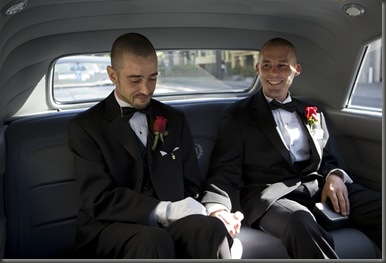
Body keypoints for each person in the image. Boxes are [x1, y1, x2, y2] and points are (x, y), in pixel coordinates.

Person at [68, 32, 243, 259]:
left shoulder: (174, 119)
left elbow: (191, 186)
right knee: (154, 239)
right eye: (135, 80)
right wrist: (166, 210)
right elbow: (98, 198)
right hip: (110, 226)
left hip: (168, 225)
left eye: (152, 77)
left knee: (211, 229)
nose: (146, 89)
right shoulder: (85, 127)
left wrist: (210, 211)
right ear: (113, 75)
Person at [206, 37, 382, 259]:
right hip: (270, 197)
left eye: (282, 65)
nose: (274, 73)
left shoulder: (312, 110)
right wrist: (217, 208)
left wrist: (335, 176)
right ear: (257, 68)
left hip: (317, 187)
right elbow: (225, 170)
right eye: (267, 65)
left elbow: (328, 158)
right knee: (300, 221)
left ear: (296, 70)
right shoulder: (236, 115)